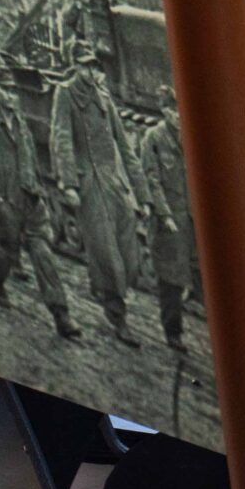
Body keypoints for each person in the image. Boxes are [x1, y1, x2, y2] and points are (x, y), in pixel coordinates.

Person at [0, 49, 80, 338]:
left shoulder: (20, 121)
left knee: (43, 255)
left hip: (29, 199)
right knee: (4, 251)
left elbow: (29, 155)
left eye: (14, 91)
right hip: (4, 198)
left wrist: (39, 191)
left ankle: (61, 315)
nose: (11, 96)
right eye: (5, 90)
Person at [48, 42, 148, 345]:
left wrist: (142, 195)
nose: (91, 72)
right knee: (106, 251)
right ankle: (118, 316)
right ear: (75, 66)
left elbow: (126, 148)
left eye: (94, 66)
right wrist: (68, 184)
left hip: (113, 183)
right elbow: (61, 137)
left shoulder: (105, 99)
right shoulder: (65, 94)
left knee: (130, 254)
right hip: (88, 184)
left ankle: (102, 285)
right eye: (85, 66)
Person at [139, 105, 194, 350]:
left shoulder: (189, 133)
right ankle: (173, 333)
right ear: (165, 111)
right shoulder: (154, 137)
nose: (179, 116)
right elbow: (151, 179)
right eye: (174, 111)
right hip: (169, 220)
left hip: (191, 219)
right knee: (171, 280)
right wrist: (164, 214)